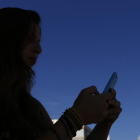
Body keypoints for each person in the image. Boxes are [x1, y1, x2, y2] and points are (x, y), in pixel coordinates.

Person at [0, 7, 122, 140]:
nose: (39, 49)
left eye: (39, 41)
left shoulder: (33, 107)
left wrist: (104, 123)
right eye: (29, 38)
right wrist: (75, 117)